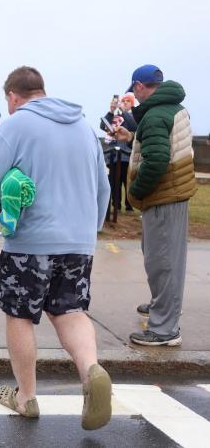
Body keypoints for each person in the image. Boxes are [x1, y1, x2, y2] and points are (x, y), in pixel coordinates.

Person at [0, 66, 112, 430]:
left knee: (20, 316)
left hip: (30, 241)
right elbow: (104, 189)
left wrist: (2, 205)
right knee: (70, 311)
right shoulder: (84, 128)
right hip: (79, 241)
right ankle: (91, 372)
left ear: (12, 97)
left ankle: (26, 396)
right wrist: (88, 230)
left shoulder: (15, 125)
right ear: (42, 89)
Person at [113, 64, 197, 346]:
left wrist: (134, 192)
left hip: (163, 197)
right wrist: (132, 137)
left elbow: (157, 162)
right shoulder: (173, 108)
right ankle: (163, 306)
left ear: (139, 86)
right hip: (173, 194)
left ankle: (164, 330)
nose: (134, 99)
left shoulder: (155, 116)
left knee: (163, 262)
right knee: (163, 257)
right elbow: (161, 143)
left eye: (134, 92)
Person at [100, 93, 137, 212]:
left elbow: (133, 125)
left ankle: (129, 206)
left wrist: (123, 111)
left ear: (132, 104)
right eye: (123, 101)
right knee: (114, 182)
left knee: (127, 182)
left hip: (127, 155)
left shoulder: (132, 116)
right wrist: (111, 111)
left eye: (127, 101)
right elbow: (103, 126)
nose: (125, 102)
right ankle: (116, 205)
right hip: (114, 155)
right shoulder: (116, 117)